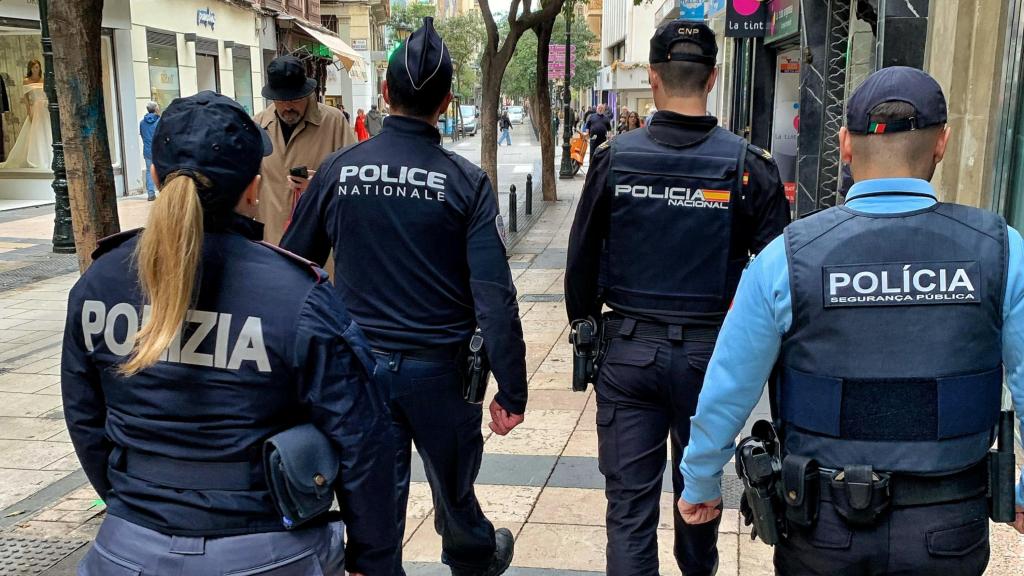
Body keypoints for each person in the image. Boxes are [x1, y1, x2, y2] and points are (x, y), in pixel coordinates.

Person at [679, 66, 1024, 574]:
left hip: (823, 530)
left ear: (843, 143)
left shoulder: (788, 257)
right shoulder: (1002, 251)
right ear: (942, 144)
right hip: (948, 527)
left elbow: (727, 386)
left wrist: (701, 480)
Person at [61, 91, 397, 576]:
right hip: (269, 550)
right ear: (254, 189)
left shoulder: (97, 283)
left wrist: (135, 506)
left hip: (127, 547)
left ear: (156, 179)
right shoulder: (297, 296)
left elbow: (85, 418)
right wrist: (373, 557)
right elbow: (362, 437)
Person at [282, 18, 527, 576]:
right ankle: (471, 555)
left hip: (355, 373)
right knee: (455, 486)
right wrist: (512, 388)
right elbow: (493, 294)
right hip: (443, 376)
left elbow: (292, 269)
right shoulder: (466, 182)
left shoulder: (339, 172)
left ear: (386, 95)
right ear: (445, 102)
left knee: (373, 505)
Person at [565, 21, 790, 576]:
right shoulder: (749, 168)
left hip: (629, 355)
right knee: (700, 499)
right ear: (713, 78)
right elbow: (779, 283)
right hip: (712, 362)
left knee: (628, 515)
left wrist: (586, 325)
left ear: (652, 77)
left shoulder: (615, 159)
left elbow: (582, 262)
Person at [255, 55, 356, 245]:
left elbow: (354, 181)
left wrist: (320, 186)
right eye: (281, 100)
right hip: (272, 244)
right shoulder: (258, 125)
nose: (288, 106)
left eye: (295, 99)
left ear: (307, 93)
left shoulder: (334, 122)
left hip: (318, 246)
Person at [0, 59, 51, 170]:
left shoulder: (44, 80)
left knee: (47, 131)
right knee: (36, 132)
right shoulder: (26, 81)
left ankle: (49, 157)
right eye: (33, 67)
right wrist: (29, 111)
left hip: (46, 107)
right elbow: (26, 99)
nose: (35, 69)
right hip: (36, 108)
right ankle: (36, 158)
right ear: (30, 69)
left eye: (37, 67)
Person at [139, 101, 160, 201]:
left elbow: (143, 136)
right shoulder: (159, 121)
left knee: (148, 171)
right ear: (155, 109)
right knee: (161, 170)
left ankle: (151, 194)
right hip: (158, 150)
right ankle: (163, 192)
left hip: (147, 151)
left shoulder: (142, 123)